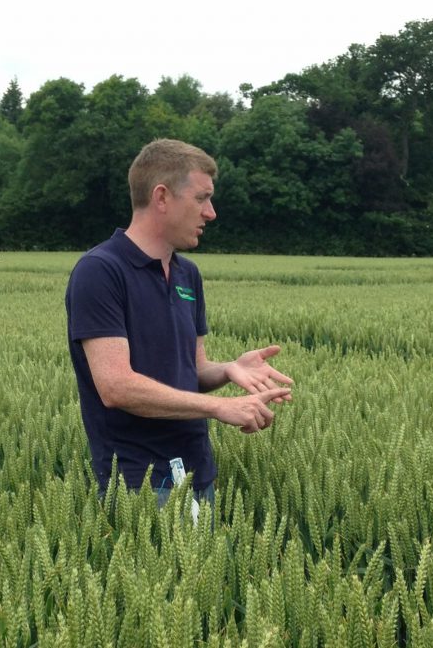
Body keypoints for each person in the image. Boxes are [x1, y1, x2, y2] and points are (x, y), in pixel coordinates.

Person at [65, 138, 293, 506]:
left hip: (197, 471)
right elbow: (116, 387)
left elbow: (193, 370)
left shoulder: (188, 275)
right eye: (202, 198)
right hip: (138, 483)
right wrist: (221, 407)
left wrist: (229, 369)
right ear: (162, 197)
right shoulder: (101, 271)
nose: (211, 212)